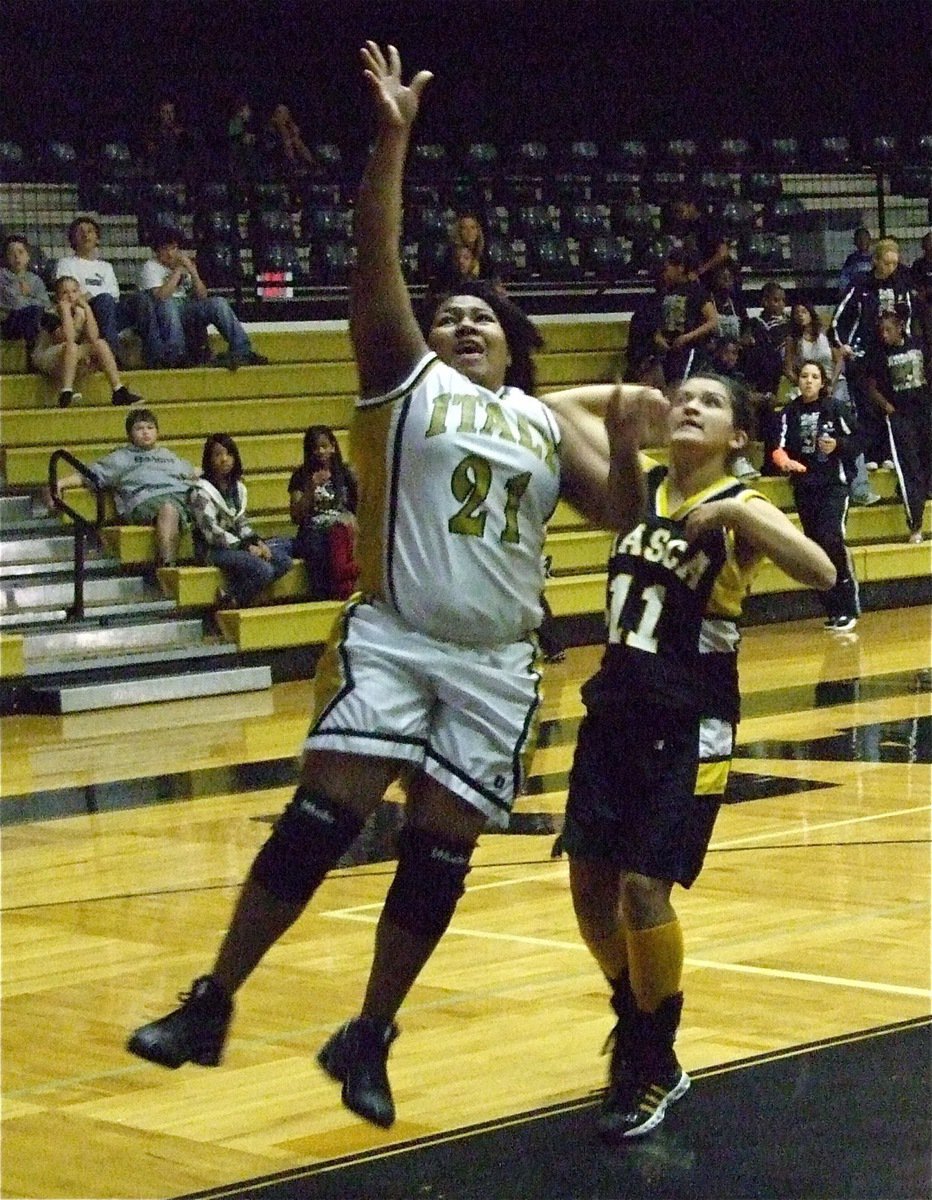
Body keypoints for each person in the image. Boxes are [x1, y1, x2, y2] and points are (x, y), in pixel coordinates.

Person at [125, 41, 659, 1131]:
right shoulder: (401, 380)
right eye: (449, 312)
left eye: (484, 320)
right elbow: (375, 252)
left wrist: (634, 434)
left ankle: (368, 1033)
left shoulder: (543, 423)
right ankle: (211, 1000)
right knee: (320, 820)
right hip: (400, 634)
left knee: (437, 860)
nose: (462, 323)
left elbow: (625, 517)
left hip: (497, 662)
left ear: (514, 352)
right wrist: (392, 136)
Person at [545, 370, 835, 1140]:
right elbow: (549, 412)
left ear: (738, 436)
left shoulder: (747, 506)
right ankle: (634, 1017)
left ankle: (652, 1056)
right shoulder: (635, 486)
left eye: (709, 402)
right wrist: (622, 405)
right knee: (588, 888)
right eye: (682, 397)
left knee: (644, 888)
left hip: (692, 711)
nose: (689, 406)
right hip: (616, 706)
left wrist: (738, 510)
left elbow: (823, 572)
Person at [773, 361, 859, 629]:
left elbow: (860, 439)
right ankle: (832, 609)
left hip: (834, 485)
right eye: (804, 376)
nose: (808, 381)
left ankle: (848, 605)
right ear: (797, 381)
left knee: (831, 537)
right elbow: (778, 448)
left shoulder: (835, 408)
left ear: (822, 382)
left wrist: (838, 445)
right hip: (805, 488)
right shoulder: (790, 412)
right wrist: (784, 461)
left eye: (814, 377)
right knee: (815, 548)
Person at [53, 408, 197, 566]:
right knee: (169, 510)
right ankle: (168, 567)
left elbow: (193, 472)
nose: (145, 432)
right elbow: (89, 476)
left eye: (150, 428)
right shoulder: (121, 457)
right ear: (130, 434)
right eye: (139, 428)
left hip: (183, 494)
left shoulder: (168, 455)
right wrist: (60, 483)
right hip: (147, 499)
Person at [831, 237, 914, 472]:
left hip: (888, 353)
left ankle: (888, 451)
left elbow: (906, 320)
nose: (891, 268)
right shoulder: (861, 283)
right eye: (886, 263)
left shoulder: (900, 284)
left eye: (894, 264)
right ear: (875, 261)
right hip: (862, 352)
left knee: (889, 403)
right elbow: (838, 318)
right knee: (865, 404)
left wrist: (904, 345)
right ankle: (869, 453)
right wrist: (842, 344)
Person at [138, 228, 268, 369]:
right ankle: (177, 354)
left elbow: (202, 296)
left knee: (218, 303)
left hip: (187, 309)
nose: (170, 254)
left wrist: (193, 272)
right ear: (157, 251)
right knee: (168, 304)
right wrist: (177, 272)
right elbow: (161, 297)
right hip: (164, 314)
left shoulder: (184, 266)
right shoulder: (150, 267)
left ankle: (242, 349)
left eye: (174, 248)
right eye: (165, 249)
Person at [189, 434, 292, 607]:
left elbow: (241, 523)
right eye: (218, 455)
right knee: (264, 569)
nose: (224, 459)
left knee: (283, 561)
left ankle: (234, 596)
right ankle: (233, 599)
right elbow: (213, 533)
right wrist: (246, 547)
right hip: (211, 549)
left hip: (238, 545)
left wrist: (258, 543)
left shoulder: (237, 488)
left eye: (229, 454)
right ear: (209, 459)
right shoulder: (200, 492)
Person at [864, 311, 931, 543]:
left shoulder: (919, 344)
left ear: (900, 327)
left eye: (888, 330)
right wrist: (887, 406)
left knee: (924, 463)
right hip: (900, 416)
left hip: (924, 411)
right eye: (881, 330)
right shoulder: (878, 353)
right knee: (909, 468)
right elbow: (870, 387)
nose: (884, 335)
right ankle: (915, 525)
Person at [32, 276, 142, 408]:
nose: (70, 296)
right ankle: (66, 391)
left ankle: (118, 390)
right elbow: (67, 338)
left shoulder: (81, 311)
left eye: (74, 291)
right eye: (65, 293)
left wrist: (87, 309)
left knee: (100, 343)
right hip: (47, 355)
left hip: (70, 357)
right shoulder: (50, 314)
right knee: (71, 347)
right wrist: (66, 312)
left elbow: (93, 336)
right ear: (57, 296)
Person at [287, 424, 359, 600]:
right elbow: (296, 515)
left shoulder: (345, 474)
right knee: (319, 549)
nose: (320, 451)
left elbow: (357, 507)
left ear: (333, 447)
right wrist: (311, 488)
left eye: (324, 446)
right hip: (313, 530)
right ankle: (322, 599)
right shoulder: (300, 476)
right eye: (315, 448)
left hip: (341, 529)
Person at [55, 216, 139, 365]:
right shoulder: (66, 263)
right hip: (84, 311)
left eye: (90, 231)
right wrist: (90, 297)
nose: (85, 234)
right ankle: (112, 355)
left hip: (107, 309)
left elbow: (115, 296)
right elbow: (67, 294)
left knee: (141, 300)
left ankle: (160, 355)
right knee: (104, 300)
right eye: (80, 232)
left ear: (97, 239)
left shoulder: (106, 267)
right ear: (73, 239)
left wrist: (89, 294)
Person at [0, 234, 50, 358]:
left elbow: (45, 304)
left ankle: (35, 353)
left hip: (32, 319)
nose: (17, 257)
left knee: (42, 315)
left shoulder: (35, 280)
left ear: (28, 256)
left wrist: (28, 296)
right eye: (12, 253)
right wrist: (31, 298)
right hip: (9, 320)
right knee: (31, 311)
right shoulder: (2, 277)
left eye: (21, 252)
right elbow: (15, 303)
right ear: (6, 258)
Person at [262, 103, 318, 181]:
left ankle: (311, 164)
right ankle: (294, 166)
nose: (284, 116)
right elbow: (269, 145)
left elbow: (299, 142)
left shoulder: (290, 127)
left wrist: (294, 135)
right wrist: (285, 142)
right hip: (277, 154)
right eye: (281, 113)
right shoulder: (270, 129)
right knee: (293, 142)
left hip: (293, 153)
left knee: (297, 142)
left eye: (286, 113)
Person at [837, 226, 873, 296]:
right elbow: (844, 278)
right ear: (855, 242)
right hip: (856, 294)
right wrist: (842, 290)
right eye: (859, 239)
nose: (862, 241)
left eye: (865, 238)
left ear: (869, 240)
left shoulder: (876, 258)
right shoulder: (851, 259)